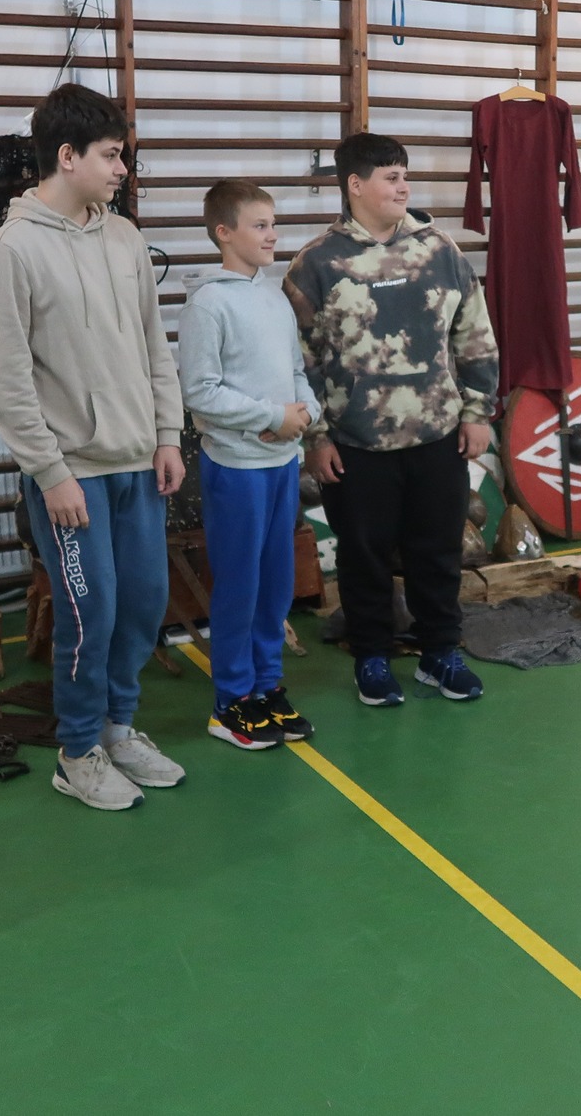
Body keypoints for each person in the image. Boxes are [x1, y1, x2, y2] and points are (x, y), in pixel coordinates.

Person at [0, 83, 187, 809]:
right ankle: (76, 751)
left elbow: (155, 345)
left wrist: (167, 434)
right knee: (88, 612)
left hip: (139, 463)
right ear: (67, 156)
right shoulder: (10, 251)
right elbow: (8, 384)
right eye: (111, 155)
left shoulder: (124, 238)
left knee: (144, 603)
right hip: (72, 476)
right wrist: (50, 472)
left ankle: (118, 729)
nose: (122, 169)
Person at [285, 133, 500, 706]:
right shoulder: (316, 264)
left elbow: (475, 334)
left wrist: (478, 411)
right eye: (391, 177)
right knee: (364, 559)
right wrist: (316, 437)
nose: (404, 187)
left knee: (438, 554)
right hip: (355, 444)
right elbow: (298, 360)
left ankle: (440, 654)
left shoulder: (441, 251)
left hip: (438, 436)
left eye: (405, 176)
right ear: (355, 185)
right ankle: (372, 659)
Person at [176, 180, 320, 749]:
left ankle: (265, 687)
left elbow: (296, 373)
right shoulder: (207, 304)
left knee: (276, 585)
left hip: (283, 463)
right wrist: (269, 415)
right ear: (224, 233)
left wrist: (304, 413)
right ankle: (230, 702)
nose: (272, 235)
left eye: (273, 224)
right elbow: (200, 391)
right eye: (259, 225)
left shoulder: (275, 298)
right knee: (239, 587)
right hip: (236, 469)